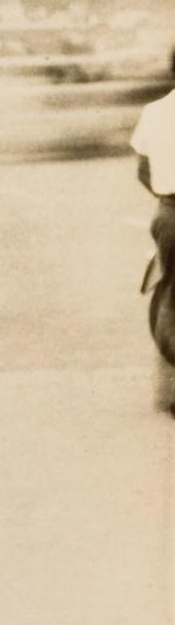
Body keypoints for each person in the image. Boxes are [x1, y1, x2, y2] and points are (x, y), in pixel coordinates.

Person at [131, 84, 175, 415]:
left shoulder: (155, 111)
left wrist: (165, 197)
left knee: (170, 296)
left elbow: (143, 171)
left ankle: (168, 391)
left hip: (169, 214)